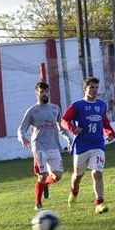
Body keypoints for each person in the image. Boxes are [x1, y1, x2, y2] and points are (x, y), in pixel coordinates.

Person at [61, 76, 115, 214]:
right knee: (77, 176)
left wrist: (110, 132)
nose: (94, 90)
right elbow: (64, 120)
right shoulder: (77, 105)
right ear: (85, 88)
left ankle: (99, 204)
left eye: (96, 87)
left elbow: (103, 121)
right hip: (81, 146)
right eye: (91, 87)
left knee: (97, 173)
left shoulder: (101, 105)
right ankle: (74, 192)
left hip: (98, 144)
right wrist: (73, 129)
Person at [17, 81, 70, 210]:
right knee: (42, 175)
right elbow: (21, 129)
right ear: (37, 93)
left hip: (53, 146)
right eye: (42, 92)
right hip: (39, 146)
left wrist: (69, 138)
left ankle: (45, 184)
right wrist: (22, 137)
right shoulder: (32, 111)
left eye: (46, 92)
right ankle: (38, 203)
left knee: (57, 176)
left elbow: (60, 127)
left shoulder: (55, 108)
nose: (45, 94)